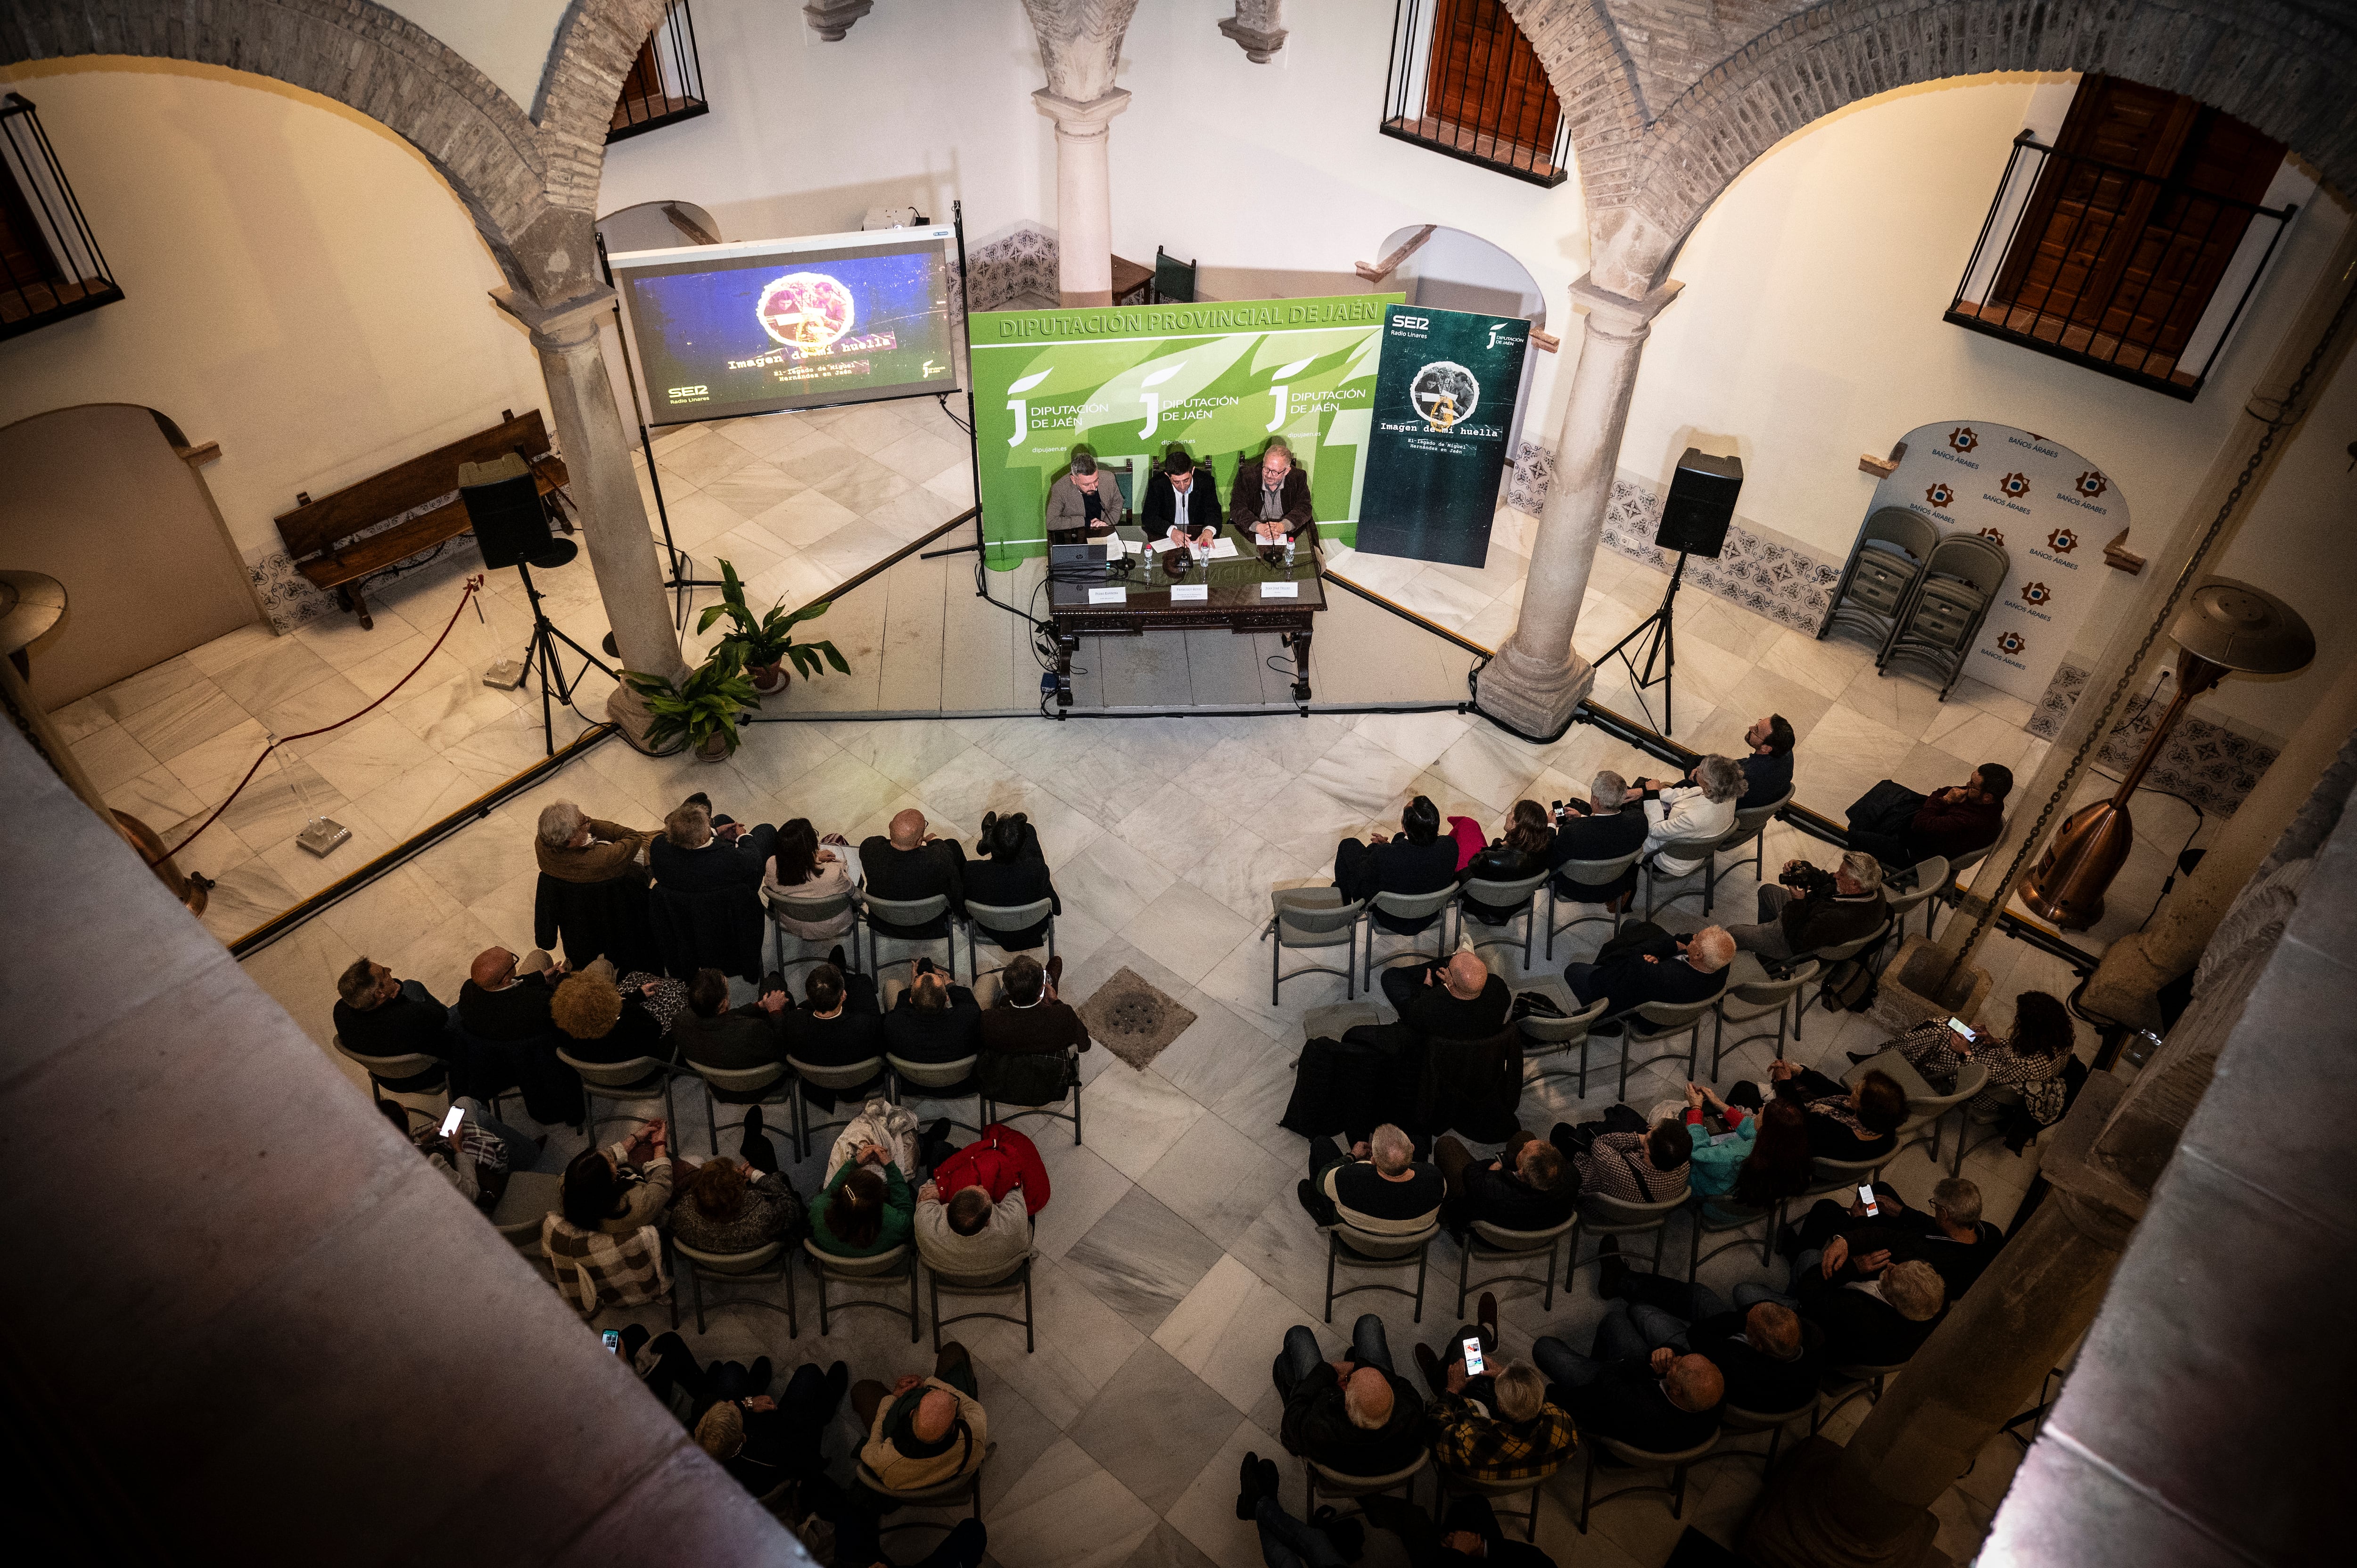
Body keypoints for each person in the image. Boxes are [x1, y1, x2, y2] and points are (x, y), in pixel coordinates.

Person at [1588, 1264, 1817, 1416]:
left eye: (1749, 1321)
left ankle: (1626, 1287)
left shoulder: (1734, 1360)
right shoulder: (1808, 1339)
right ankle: (1624, 1280)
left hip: (1708, 1365)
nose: (1746, 1314)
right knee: (1700, 1294)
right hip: (1732, 1351)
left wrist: (1741, 1320)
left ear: (1756, 1345)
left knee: (1644, 1314)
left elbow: (1697, 1335)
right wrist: (1748, 1320)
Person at [1870, 991, 2075, 1126]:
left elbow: (1981, 1077)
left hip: (1984, 1089)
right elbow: (2017, 1052)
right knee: (1949, 1023)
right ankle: (1895, 1060)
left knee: (1938, 1035)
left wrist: (1966, 1051)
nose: (2017, 1021)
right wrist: (1994, 1041)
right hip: (1996, 1065)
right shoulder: (2060, 1040)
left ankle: (1886, 1062)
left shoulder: (2027, 1066)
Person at [1271, 1313, 1424, 1477]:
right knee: (1370, 1322)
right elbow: (1401, 1384)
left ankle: (1284, 1377)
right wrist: (1358, 1366)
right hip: (1386, 1459)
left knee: (1298, 1335)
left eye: (1348, 1382)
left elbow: (1294, 1412)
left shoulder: (1320, 1429)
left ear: (1346, 1402)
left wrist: (1328, 1372)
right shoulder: (1411, 1414)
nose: (1346, 1380)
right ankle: (1355, 1358)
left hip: (1337, 1449)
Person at [1529, 1325, 1722, 1454]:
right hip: (1628, 1388)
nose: (1677, 1358)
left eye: (1677, 1364)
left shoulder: (1637, 1407)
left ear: (1677, 1390)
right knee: (1614, 1323)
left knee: (1545, 1347)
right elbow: (1686, 1361)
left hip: (1608, 1395)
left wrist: (1648, 1367)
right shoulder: (1709, 1399)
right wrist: (1668, 1350)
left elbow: (1607, 1378)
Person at [1737, 1256, 1947, 1368]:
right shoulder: (1934, 1305)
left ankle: (1786, 1305)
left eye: (1891, 1272)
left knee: (1744, 1292)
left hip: (1815, 1327)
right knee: (1808, 1257)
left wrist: (1854, 1267)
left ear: (1892, 1298)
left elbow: (1810, 1292)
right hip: (1845, 1332)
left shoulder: (1854, 1313)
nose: (1890, 1265)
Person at [692, 1359, 851, 1499]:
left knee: (730, 1371)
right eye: (734, 1411)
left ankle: (755, 1387)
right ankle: (828, 1408)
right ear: (743, 1438)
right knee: (808, 1375)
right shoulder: (765, 1456)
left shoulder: (704, 1437)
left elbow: (728, 1406)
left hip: (752, 1428)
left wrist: (748, 1403)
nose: (733, 1403)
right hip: (776, 1431)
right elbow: (802, 1449)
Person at [376, 1095, 553, 1212]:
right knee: (475, 1113)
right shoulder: (430, 1162)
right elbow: (471, 1192)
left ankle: (524, 1151)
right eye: (405, 1113)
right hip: (476, 1192)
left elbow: (413, 1146)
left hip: (441, 1161)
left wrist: (430, 1135)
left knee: (467, 1104)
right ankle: (528, 1154)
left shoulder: (382, 1155)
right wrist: (457, 1147)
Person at [853, 1342, 989, 1492]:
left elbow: (870, 1447)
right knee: (953, 1350)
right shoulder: (975, 1435)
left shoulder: (886, 1463)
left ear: (912, 1414)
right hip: (954, 1483)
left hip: (908, 1485)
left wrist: (892, 1398)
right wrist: (928, 1384)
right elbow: (969, 1404)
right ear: (953, 1428)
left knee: (861, 1389)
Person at [914, 1123, 1045, 1278]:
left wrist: (951, 1187)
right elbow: (1014, 1184)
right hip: (1000, 1275)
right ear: (989, 1220)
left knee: (939, 1151)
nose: (982, 1186)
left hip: (951, 1277)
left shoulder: (926, 1221)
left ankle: (933, 1144)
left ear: (948, 1207)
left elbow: (928, 1189)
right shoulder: (1014, 1219)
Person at [1423, 1357, 1575, 1488]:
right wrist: (1508, 1378)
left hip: (1470, 1485)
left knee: (1470, 1381)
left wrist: (1452, 1390)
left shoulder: (1469, 1443)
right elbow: (1545, 1407)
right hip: (1521, 1471)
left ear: (1500, 1407)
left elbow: (1434, 1429)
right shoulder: (1564, 1427)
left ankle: (1439, 1375)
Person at [1729, 850, 1889, 961]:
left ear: (1855, 884)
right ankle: (1766, 957)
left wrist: (1798, 901)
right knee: (1767, 891)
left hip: (1793, 938)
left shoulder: (1837, 918)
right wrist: (1803, 869)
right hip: (1809, 916)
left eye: (1841, 874)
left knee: (1733, 933)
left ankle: (1771, 948)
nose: (1836, 875)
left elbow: (1798, 942)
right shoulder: (1871, 886)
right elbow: (1828, 880)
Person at [1845, 764, 2013, 871]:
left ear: (1988, 797)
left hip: (1915, 853)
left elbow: (1921, 824)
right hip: (1923, 825)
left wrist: (1945, 801)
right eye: (1970, 781)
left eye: (1973, 786)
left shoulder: (1972, 822)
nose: (1967, 786)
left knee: (1855, 836)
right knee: (1887, 790)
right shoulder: (1983, 799)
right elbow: (1942, 791)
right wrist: (1942, 799)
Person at [1333, 795, 1459, 936]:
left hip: (1389, 917)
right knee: (1398, 838)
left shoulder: (1384, 855)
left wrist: (1373, 849)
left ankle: (1342, 907)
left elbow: (1360, 873)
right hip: (1428, 914)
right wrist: (1389, 847)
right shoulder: (1450, 846)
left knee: (1348, 845)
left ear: (1405, 828)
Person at [1561, 922, 1734, 1024]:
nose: (1694, 936)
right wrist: (1667, 954)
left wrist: (1668, 948)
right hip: (1659, 985)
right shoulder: (1722, 962)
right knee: (1634, 925)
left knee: (1574, 970)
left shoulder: (1662, 976)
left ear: (1698, 955)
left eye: (1697, 939)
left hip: (1642, 1012)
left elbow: (1634, 956)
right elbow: (1684, 937)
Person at [977, 953, 1089, 1105]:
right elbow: (1084, 1045)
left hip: (1005, 1088)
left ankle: (1050, 979)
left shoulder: (990, 1020)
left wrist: (1004, 1004)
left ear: (1009, 991)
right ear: (1040, 990)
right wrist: (1056, 1001)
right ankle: (1051, 980)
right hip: (1050, 1088)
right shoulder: (1063, 1015)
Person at [1298, 1122, 1444, 1232]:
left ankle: (1321, 1210)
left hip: (1356, 1243)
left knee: (1321, 1144)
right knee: (1420, 1141)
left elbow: (1322, 1181)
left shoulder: (1348, 1178)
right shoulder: (1436, 1179)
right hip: (1408, 1246)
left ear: (1372, 1161)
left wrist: (1352, 1156)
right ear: (1411, 1149)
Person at [1684, 1087, 1813, 1206]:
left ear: (1765, 1130)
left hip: (1716, 1206)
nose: (1758, 1110)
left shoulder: (1733, 1157)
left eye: (1761, 1113)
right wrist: (1719, 1104)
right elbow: (1750, 1128)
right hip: (1754, 1205)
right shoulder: (1789, 1147)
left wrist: (1695, 1108)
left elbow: (1696, 1152)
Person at [1432, 1128, 1574, 1232]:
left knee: (1447, 1144)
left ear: (1521, 1173)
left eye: (1523, 1152)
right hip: (1538, 1221)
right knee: (1524, 1135)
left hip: (1492, 1236)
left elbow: (1472, 1171)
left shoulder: (1492, 1189)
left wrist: (1499, 1164)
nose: (1525, 1145)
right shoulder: (1571, 1179)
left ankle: (1446, 1214)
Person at [1546, 771, 1648, 908]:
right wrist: (1583, 818)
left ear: (1595, 800)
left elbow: (1550, 859)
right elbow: (1608, 834)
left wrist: (1551, 826)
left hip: (1573, 888)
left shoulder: (1573, 832)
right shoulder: (1639, 821)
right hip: (1613, 885)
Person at [1771, 1059, 1908, 1161]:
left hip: (1805, 1156)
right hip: (1826, 1141)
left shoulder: (1830, 1130)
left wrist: (1785, 1081)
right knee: (1812, 1077)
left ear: (1863, 1109)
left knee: (1751, 1090)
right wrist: (1801, 1072)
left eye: (1858, 1090)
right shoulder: (1886, 1122)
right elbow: (1840, 1093)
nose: (1854, 1086)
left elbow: (1799, 1118)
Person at [858, 808, 964, 939]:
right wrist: (935, 840)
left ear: (890, 827)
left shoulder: (869, 849)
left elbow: (880, 842)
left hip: (885, 921)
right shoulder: (939, 860)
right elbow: (946, 857)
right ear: (920, 841)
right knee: (953, 845)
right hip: (930, 924)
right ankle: (964, 913)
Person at [668, 1153, 801, 1256]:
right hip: (759, 1264)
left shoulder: (682, 1214)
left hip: (711, 1265)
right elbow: (792, 1208)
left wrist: (731, 1181)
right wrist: (758, 1176)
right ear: (739, 1191)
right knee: (782, 1181)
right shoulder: (764, 1214)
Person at [960, 811, 1059, 948]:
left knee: (1026, 832)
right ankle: (993, 836)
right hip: (1033, 928)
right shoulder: (1038, 869)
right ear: (1022, 848)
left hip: (992, 929)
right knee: (1028, 829)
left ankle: (988, 836)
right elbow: (1057, 909)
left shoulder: (973, 871)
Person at [1634, 755, 1745, 875]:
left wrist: (1652, 795)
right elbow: (1685, 793)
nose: (1697, 769)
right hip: (1693, 845)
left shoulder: (1694, 817)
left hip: (1669, 860)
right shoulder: (1727, 794)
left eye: (1701, 770)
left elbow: (1654, 830)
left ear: (1708, 784)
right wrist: (1644, 792)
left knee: (1630, 818)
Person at [560, 1119, 674, 1235]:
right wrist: (660, 1144)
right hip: (653, 1214)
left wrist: (636, 1137)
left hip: (633, 1187)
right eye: (610, 1164)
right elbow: (662, 1185)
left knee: (643, 1148)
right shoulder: (636, 1205)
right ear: (606, 1183)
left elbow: (606, 1155)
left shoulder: (568, 1182)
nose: (613, 1161)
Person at [648, 793, 776, 895]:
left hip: (682, 892)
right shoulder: (727, 857)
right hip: (730, 897)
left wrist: (715, 832)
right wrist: (743, 837)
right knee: (766, 830)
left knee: (722, 819)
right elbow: (753, 858)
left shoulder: (658, 845)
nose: (710, 822)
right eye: (708, 823)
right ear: (702, 838)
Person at [334, 957, 459, 1061]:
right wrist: (399, 998)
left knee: (411, 985)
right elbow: (441, 1016)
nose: (389, 970)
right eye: (385, 973)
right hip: (429, 1069)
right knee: (469, 998)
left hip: (384, 1069)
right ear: (380, 993)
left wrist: (393, 992)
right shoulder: (407, 1015)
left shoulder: (341, 1010)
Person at [1550, 1113, 1691, 1203]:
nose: (1650, 1128)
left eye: (1651, 1130)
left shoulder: (1616, 1166)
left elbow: (1601, 1142)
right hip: (1639, 1211)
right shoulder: (1684, 1166)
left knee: (1561, 1130)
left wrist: (1640, 1139)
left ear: (1647, 1149)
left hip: (1599, 1206)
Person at [807, 1141, 914, 1258]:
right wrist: (889, 1165)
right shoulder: (896, 1223)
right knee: (910, 1191)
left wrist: (856, 1161)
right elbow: (906, 1209)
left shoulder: (818, 1210)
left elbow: (829, 1192)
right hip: (882, 1270)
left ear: (843, 1191)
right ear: (881, 1202)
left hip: (838, 1270)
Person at [761, 818, 862, 940]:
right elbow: (852, 892)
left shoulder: (771, 864)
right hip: (830, 925)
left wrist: (814, 859)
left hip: (792, 922)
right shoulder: (833, 874)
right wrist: (834, 864)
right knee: (858, 878)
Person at [1459, 800, 1554, 923]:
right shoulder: (1546, 849)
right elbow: (1550, 838)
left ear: (1514, 824)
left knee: (1466, 824)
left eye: (1510, 813)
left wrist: (1498, 846)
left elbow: (1467, 871)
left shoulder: (1489, 860)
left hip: (1481, 904)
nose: (1508, 815)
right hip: (1517, 903)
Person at [550, 966, 668, 1064]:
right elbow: (657, 1029)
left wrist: (637, 996)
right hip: (645, 1078)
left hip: (599, 1081)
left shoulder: (568, 1033)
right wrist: (624, 1002)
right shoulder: (629, 1021)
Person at [672, 967, 783, 1072]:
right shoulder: (752, 1030)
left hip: (718, 1085)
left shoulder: (680, 1021)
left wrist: (757, 1006)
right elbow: (782, 1047)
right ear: (724, 1003)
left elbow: (721, 1019)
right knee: (778, 989)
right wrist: (776, 1011)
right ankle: (775, 977)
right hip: (757, 1084)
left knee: (771, 988)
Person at [780, 958, 884, 1069]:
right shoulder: (866, 1026)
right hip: (865, 1083)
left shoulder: (794, 1024)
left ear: (808, 997)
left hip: (815, 1084)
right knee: (863, 981)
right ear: (844, 995)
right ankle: (842, 973)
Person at [1382, 949, 1510, 1038]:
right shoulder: (1499, 988)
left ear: (1451, 985)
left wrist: (1425, 987)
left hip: (1429, 1045)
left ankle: (1450, 961)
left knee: (1390, 977)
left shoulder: (1432, 1003)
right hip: (1479, 1045)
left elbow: (1413, 1014)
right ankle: (1452, 963)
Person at [883, 962, 984, 1066]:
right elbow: (968, 1003)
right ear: (947, 999)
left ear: (911, 1000)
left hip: (913, 1080)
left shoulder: (894, 1024)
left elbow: (899, 1012)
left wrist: (912, 985)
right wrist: (949, 982)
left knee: (892, 984)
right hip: (962, 1078)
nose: (926, 973)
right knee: (987, 979)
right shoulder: (969, 1017)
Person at [456, 944, 563, 1040]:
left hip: (493, 1038)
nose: (513, 960)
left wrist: (542, 978)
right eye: (513, 962)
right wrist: (564, 981)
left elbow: (514, 983)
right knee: (539, 954)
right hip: (534, 1042)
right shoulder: (537, 1002)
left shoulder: (468, 988)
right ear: (506, 979)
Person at [534, 801, 657, 883]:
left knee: (652, 834)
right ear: (572, 837)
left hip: (588, 886)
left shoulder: (541, 842)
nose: (589, 820)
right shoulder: (601, 858)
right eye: (584, 820)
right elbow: (633, 837)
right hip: (633, 875)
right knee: (661, 840)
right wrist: (590, 824)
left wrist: (581, 824)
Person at [1230, 437, 1315, 546]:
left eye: (1275, 472)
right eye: (1266, 469)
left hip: (1289, 533)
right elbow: (1237, 508)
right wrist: (1258, 526)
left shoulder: (1298, 477)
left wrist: (1283, 526)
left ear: (1287, 471)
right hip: (1254, 534)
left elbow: (1305, 508)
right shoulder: (1247, 476)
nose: (1269, 476)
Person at [1142, 444, 1220, 551]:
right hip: (1168, 538)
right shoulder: (1157, 484)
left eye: (1186, 480)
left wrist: (1208, 531)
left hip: (1197, 537)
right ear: (1168, 476)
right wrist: (1171, 531)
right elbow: (1148, 516)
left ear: (1192, 471)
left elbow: (1214, 512)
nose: (1183, 487)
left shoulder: (1206, 482)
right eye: (1177, 482)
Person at [1045, 448, 1122, 541]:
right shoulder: (1060, 488)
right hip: (1076, 537)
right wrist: (1086, 522)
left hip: (1105, 532)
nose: (1094, 487)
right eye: (1087, 484)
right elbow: (1052, 522)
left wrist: (1104, 524)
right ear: (1074, 480)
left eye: (1096, 480)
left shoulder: (1109, 478)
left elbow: (1117, 504)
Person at [1735, 714, 1797, 809]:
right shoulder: (1786, 751)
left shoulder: (1747, 775)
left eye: (1756, 731)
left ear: (1766, 748)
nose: (1751, 728)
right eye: (1758, 724)